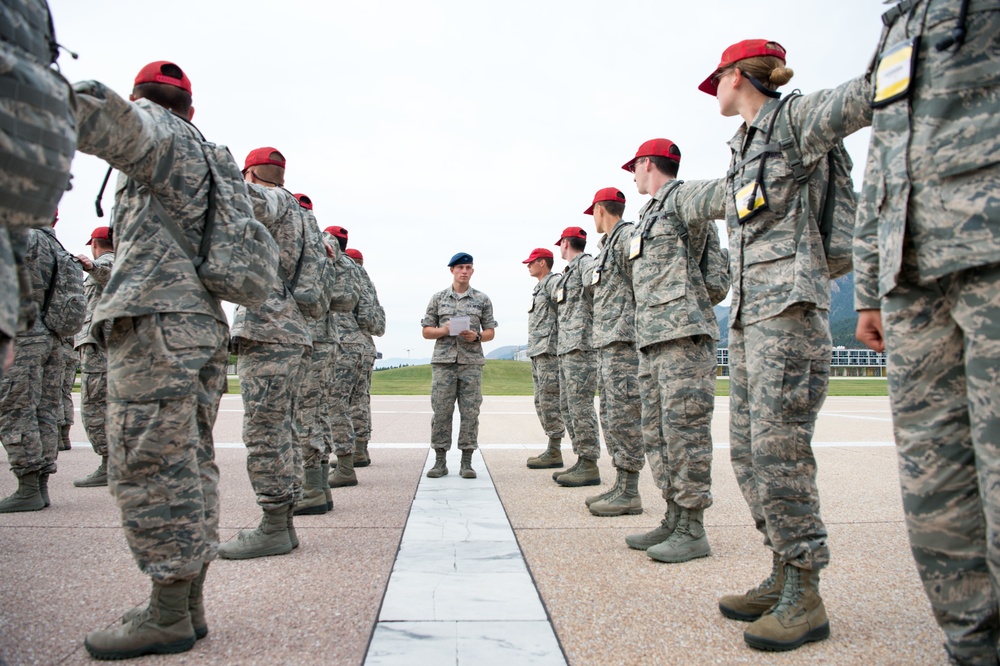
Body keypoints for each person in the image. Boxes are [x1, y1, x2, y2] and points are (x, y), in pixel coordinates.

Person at [699, 40, 871, 651]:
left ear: (739, 75)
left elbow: (862, 98)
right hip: (748, 317)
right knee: (748, 451)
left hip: (790, 312)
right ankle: (780, 570)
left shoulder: (793, 121)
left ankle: (806, 591)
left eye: (716, 78)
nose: (712, 90)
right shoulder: (741, 147)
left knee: (781, 452)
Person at [853, 5, 1000, 664]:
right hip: (908, 271)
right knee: (932, 483)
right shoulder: (895, 25)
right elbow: (879, 162)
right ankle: (970, 646)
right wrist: (866, 289)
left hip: (989, 243)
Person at [72, 61, 233, 658]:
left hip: (156, 323)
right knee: (190, 460)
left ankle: (167, 612)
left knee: (149, 463)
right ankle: (185, 604)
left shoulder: (157, 131)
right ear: (192, 108)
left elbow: (92, 115)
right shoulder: (209, 152)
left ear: (143, 98)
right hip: (197, 319)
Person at [620, 140, 727, 561]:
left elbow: (717, 280)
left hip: (683, 339)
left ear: (647, 164)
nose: (632, 177)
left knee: (686, 434)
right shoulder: (647, 217)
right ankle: (673, 518)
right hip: (651, 341)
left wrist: (685, 302)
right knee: (658, 433)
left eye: (635, 168)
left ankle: (694, 528)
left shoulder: (682, 200)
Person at [225, 147, 312, 559]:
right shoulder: (302, 214)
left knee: (264, 431)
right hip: (291, 328)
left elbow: (242, 199)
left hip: (269, 328)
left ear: (251, 175)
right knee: (285, 428)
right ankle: (284, 522)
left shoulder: (274, 198)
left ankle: (274, 524)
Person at [0, 0, 76, 378]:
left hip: (34, 333)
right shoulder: (58, 250)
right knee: (41, 412)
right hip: (45, 333)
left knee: (21, 416)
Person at [581, 188, 644, 517]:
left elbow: (644, 281)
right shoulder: (606, 248)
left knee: (625, 416)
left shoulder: (626, 238)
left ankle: (630, 491)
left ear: (599, 210)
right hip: (607, 343)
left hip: (624, 343)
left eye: (592, 212)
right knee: (612, 416)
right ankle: (621, 484)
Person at [0, 225, 66, 513]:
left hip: (22, 333)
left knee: (16, 409)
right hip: (51, 334)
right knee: (44, 411)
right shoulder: (54, 243)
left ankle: (27, 488)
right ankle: (39, 488)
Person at [421, 252, 497, 479]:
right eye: (460, 267)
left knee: (470, 412)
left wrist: (476, 337)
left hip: (471, 363)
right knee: (442, 412)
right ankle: (440, 461)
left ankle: (467, 462)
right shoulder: (438, 298)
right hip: (444, 363)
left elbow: (491, 332)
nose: (464, 271)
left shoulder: (482, 299)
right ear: (452, 270)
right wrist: (443, 331)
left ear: (472, 271)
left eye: (468, 267)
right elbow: (426, 331)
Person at [290, 195, 339, 516]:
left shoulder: (302, 245)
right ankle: (318, 486)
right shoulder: (324, 247)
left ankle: (312, 489)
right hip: (322, 338)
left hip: (305, 338)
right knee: (317, 412)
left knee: (305, 415)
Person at [550, 227, 600, 488]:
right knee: (568, 406)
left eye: (560, 244)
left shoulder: (585, 264)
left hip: (582, 347)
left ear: (566, 243)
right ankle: (582, 459)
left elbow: (600, 291)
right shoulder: (568, 273)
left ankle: (589, 462)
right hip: (568, 348)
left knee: (581, 406)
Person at [323, 225, 366, 490]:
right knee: (355, 402)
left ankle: (345, 464)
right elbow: (373, 319)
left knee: (332, 404)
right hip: (357, 343)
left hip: (334, 341)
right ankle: (355, 453)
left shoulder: (328, 262)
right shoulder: (358, 273)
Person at [73, 226, 115, 487]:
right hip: (110, 343)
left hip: (100, 345)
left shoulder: (107, 261)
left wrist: (91, 267)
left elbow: (107, 273)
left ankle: (109, 464)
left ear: (95, 244)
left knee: (95, 405)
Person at [522, 247, 565, 470]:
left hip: (550, 351)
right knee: (541, 401)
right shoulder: (539, 288)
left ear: (542, 263)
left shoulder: (553, 283)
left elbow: (566, 309)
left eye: (531, 262)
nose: (528, 266)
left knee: (549, 401)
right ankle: (552, 446)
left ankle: (555, 449)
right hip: (538, 351)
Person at [345, 248, 385, 468]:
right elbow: (375, 323)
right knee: (360, 399)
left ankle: (346, 452)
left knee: (339, 401)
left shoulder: (344, 276)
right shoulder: (368, 283)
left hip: (344, 344)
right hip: (365, 345)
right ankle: (360, 449)